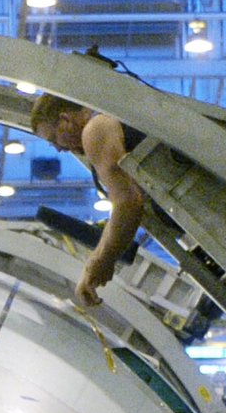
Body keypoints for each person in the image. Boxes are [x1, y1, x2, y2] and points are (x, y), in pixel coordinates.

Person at [30, 92, 151, 309]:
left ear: (65, 119)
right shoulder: (111, 119)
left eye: (53, 139)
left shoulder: (95, 129)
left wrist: (100, 261)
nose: (58, 148)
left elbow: (128, 202)